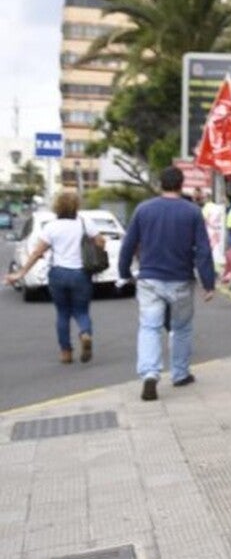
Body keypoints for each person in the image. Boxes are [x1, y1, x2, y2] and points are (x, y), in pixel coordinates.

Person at [117, 166, 216, 402]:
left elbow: (128, 245)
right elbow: (203, 250)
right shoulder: (192, 212)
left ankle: (150, 374)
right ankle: (180, 374)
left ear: (160, 184)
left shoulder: (143, 210)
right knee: (181, 328)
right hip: (181, 280)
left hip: (149, 279)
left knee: (149, 327)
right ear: (182, 185)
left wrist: (124, 272)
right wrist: (208, 283)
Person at [5, 192, 105, 364]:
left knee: (63, 313)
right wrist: (93, 251)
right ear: (76, 206)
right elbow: (100, 241)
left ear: (57, 206)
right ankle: (85, 333)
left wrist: (20, 273)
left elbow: (37, 252)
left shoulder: (51, 227)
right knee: (81, 311)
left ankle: (66, 352)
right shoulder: (84, 223)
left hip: (58, 273)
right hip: (81, 274)